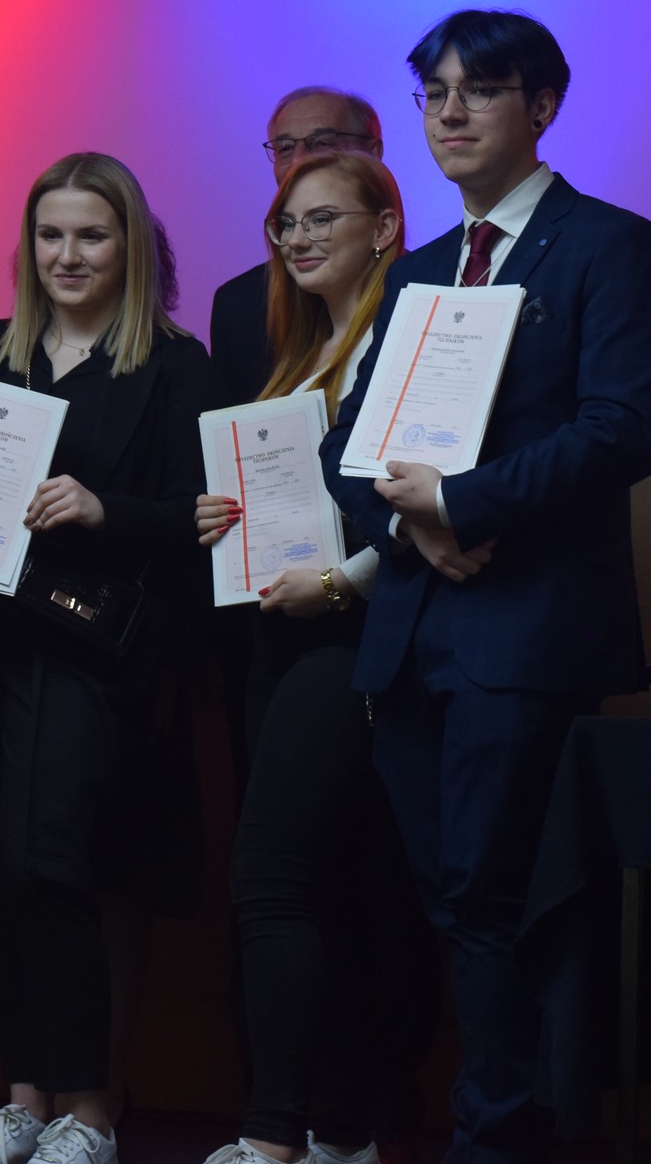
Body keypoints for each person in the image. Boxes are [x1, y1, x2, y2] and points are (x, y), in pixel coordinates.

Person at [320, 9, 651, 1164]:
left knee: (496, 894)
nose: (447, 113)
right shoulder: (416, 270)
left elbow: (620, 428)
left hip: (530, 631)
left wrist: (463, 506)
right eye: (431, 94)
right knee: (447, 900)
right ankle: (504, 1121)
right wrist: (413, 528)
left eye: (477, 90)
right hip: (412, 635)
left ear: (541, 106)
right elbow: (346, 452)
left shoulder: (606, 246)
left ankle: (502, 1136)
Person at [0, 152, 215, 1164]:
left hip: (91, 655)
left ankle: (90, 1111)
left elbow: (203, 517)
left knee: (56, 867)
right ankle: (24, 1103)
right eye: (49, 235)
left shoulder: (175, 366)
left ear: (131, 247)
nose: (66, 255)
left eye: (90, 235)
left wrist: (101, 508)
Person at [192, 151, 428, 1164]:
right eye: (285, 223)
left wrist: (338, 586)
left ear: (384, 229)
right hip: (277, 639)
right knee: (332, 886)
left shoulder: (402, 346)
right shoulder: (298, 349)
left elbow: (415, 515)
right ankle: (342, 1130)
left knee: (273, 879)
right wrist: (222, 519)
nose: (296, 238)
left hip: (349, 641)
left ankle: (273, 1137)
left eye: (321, 218)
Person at [210, 89, 383, 409]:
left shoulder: (426, 302)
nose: (300, 160)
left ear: (382, 229)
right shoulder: (240, 308)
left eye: (322, 142)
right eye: (286, 148)